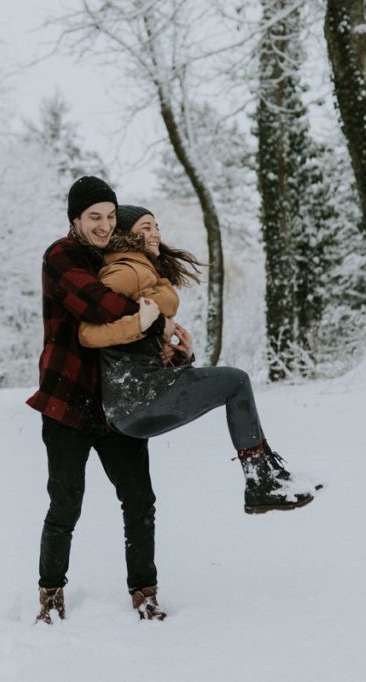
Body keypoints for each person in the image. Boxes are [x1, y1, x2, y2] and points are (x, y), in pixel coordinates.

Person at [78, 205, 320, 515]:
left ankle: (269, 476)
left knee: (232, 383)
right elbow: (90, 331)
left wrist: (182, 356)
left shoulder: (143, 271)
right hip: (139, 400)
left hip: (138, 401)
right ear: (126, 235)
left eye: (156, 226)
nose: (156, 233)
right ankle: (261, 480)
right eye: (146, 227)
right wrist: (141, 324)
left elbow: (129, 348)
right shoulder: (123, 270)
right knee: (236, 381)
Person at [26, 178, 169, 625]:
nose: (105, 226)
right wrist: (149, 311)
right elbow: (98, 306)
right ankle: (51, 595)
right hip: (68, 400)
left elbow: (158, 291)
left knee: (139, 498)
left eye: (110, 216)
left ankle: (144, 593)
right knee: (66, 503)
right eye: (95, 217)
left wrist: (161, 322)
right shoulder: (61, 256)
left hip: (116, 402)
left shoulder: (112, 257)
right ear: (75, 219)